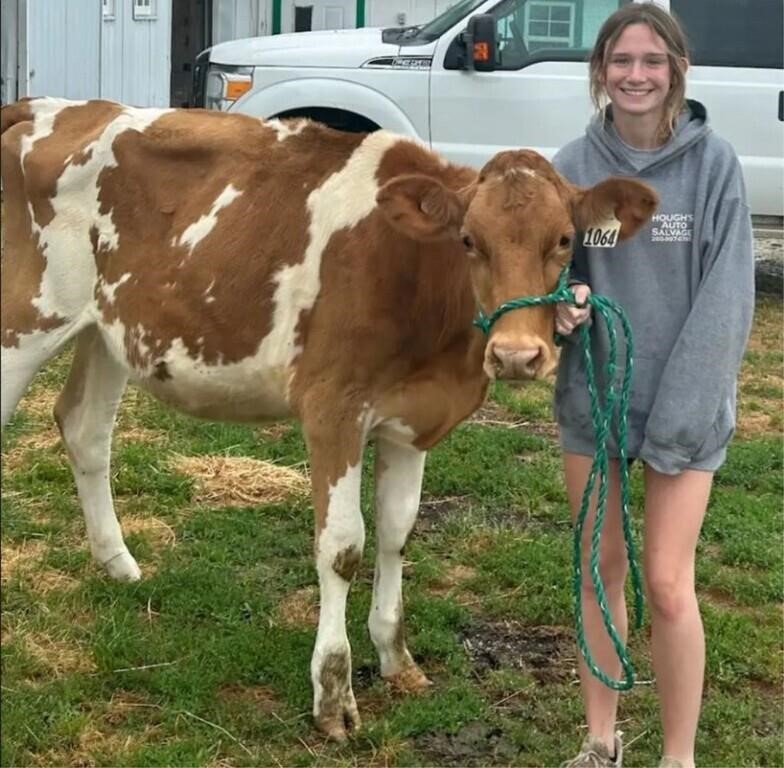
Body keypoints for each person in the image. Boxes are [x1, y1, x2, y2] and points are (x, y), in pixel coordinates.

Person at [552, 4, 755, 768]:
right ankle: (600, 742)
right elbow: (550, 271)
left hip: (686, 410)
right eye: (621, 61)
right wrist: (560, 307)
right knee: (600, 577)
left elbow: (727, 302)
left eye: (652, 62)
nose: (636, 76)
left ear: (676, 70)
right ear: (600, 70)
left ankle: (679, 756)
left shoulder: (714, 168)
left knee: (668, 584)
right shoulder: (571, 165)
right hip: (594, 403)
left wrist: (679, 420)